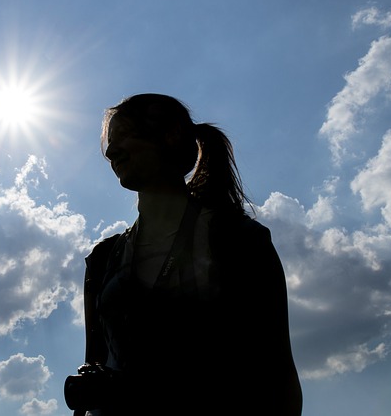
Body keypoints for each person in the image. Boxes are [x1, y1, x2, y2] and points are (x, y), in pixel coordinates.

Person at [66, 93, 302, 415]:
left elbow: (278, 373)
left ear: (170, 136)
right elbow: (93, 365)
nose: (111, 150)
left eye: (124, 136)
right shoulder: (103, 258)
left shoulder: (237, 239)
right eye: (110, 141)